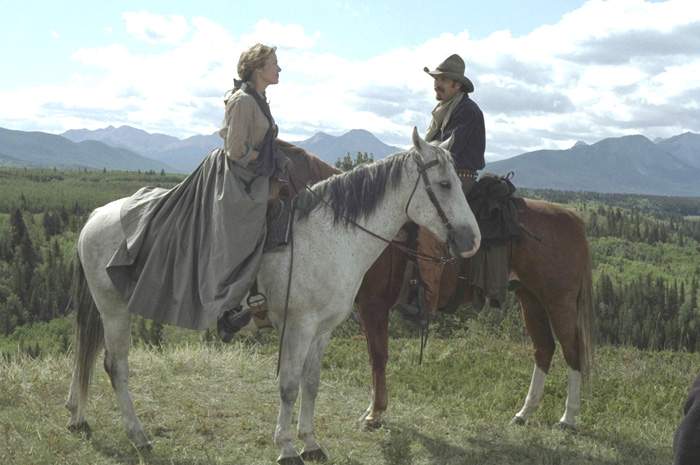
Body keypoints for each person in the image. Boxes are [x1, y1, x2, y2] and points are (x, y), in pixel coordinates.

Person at [398, 53, 486, 320]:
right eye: (436, 79)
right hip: (442, 179)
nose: (437, 84)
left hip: (459, 178)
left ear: (457, 85)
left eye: (443, 80)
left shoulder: (466, 111)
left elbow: (444, 153)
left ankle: (427, 303)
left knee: (430, 230)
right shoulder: (445, 110)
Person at [216, 43, 285, 342]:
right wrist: (265, 158)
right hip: (241, 182)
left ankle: (266, 294)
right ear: (259, 68)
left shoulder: (259, 98)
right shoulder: (244, 101)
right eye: (274, 63)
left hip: (256, 178)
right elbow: (234, 149)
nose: (279, 69)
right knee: (254, 232)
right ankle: (234, 306)